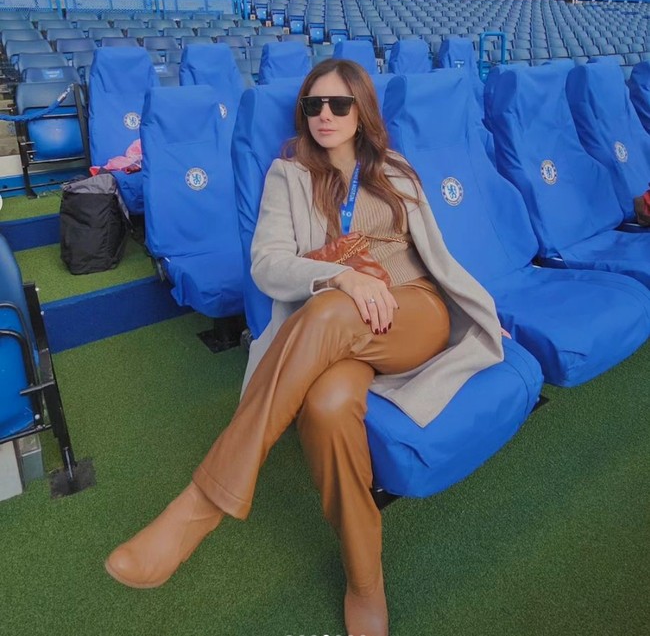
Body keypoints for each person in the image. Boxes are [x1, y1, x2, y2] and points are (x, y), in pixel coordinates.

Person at [104, 60, 504, 636]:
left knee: (333, 311)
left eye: (339, 105)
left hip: (414, 309)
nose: (324, 116)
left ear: (362, 111)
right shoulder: (286, 176)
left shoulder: (395, 171)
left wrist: (481, 311)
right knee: (327, 407)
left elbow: (439, 256)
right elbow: (267, 264)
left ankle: (200, 504)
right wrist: (340, 276)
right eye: (313, 106)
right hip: (339, 323)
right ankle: (366, 580)